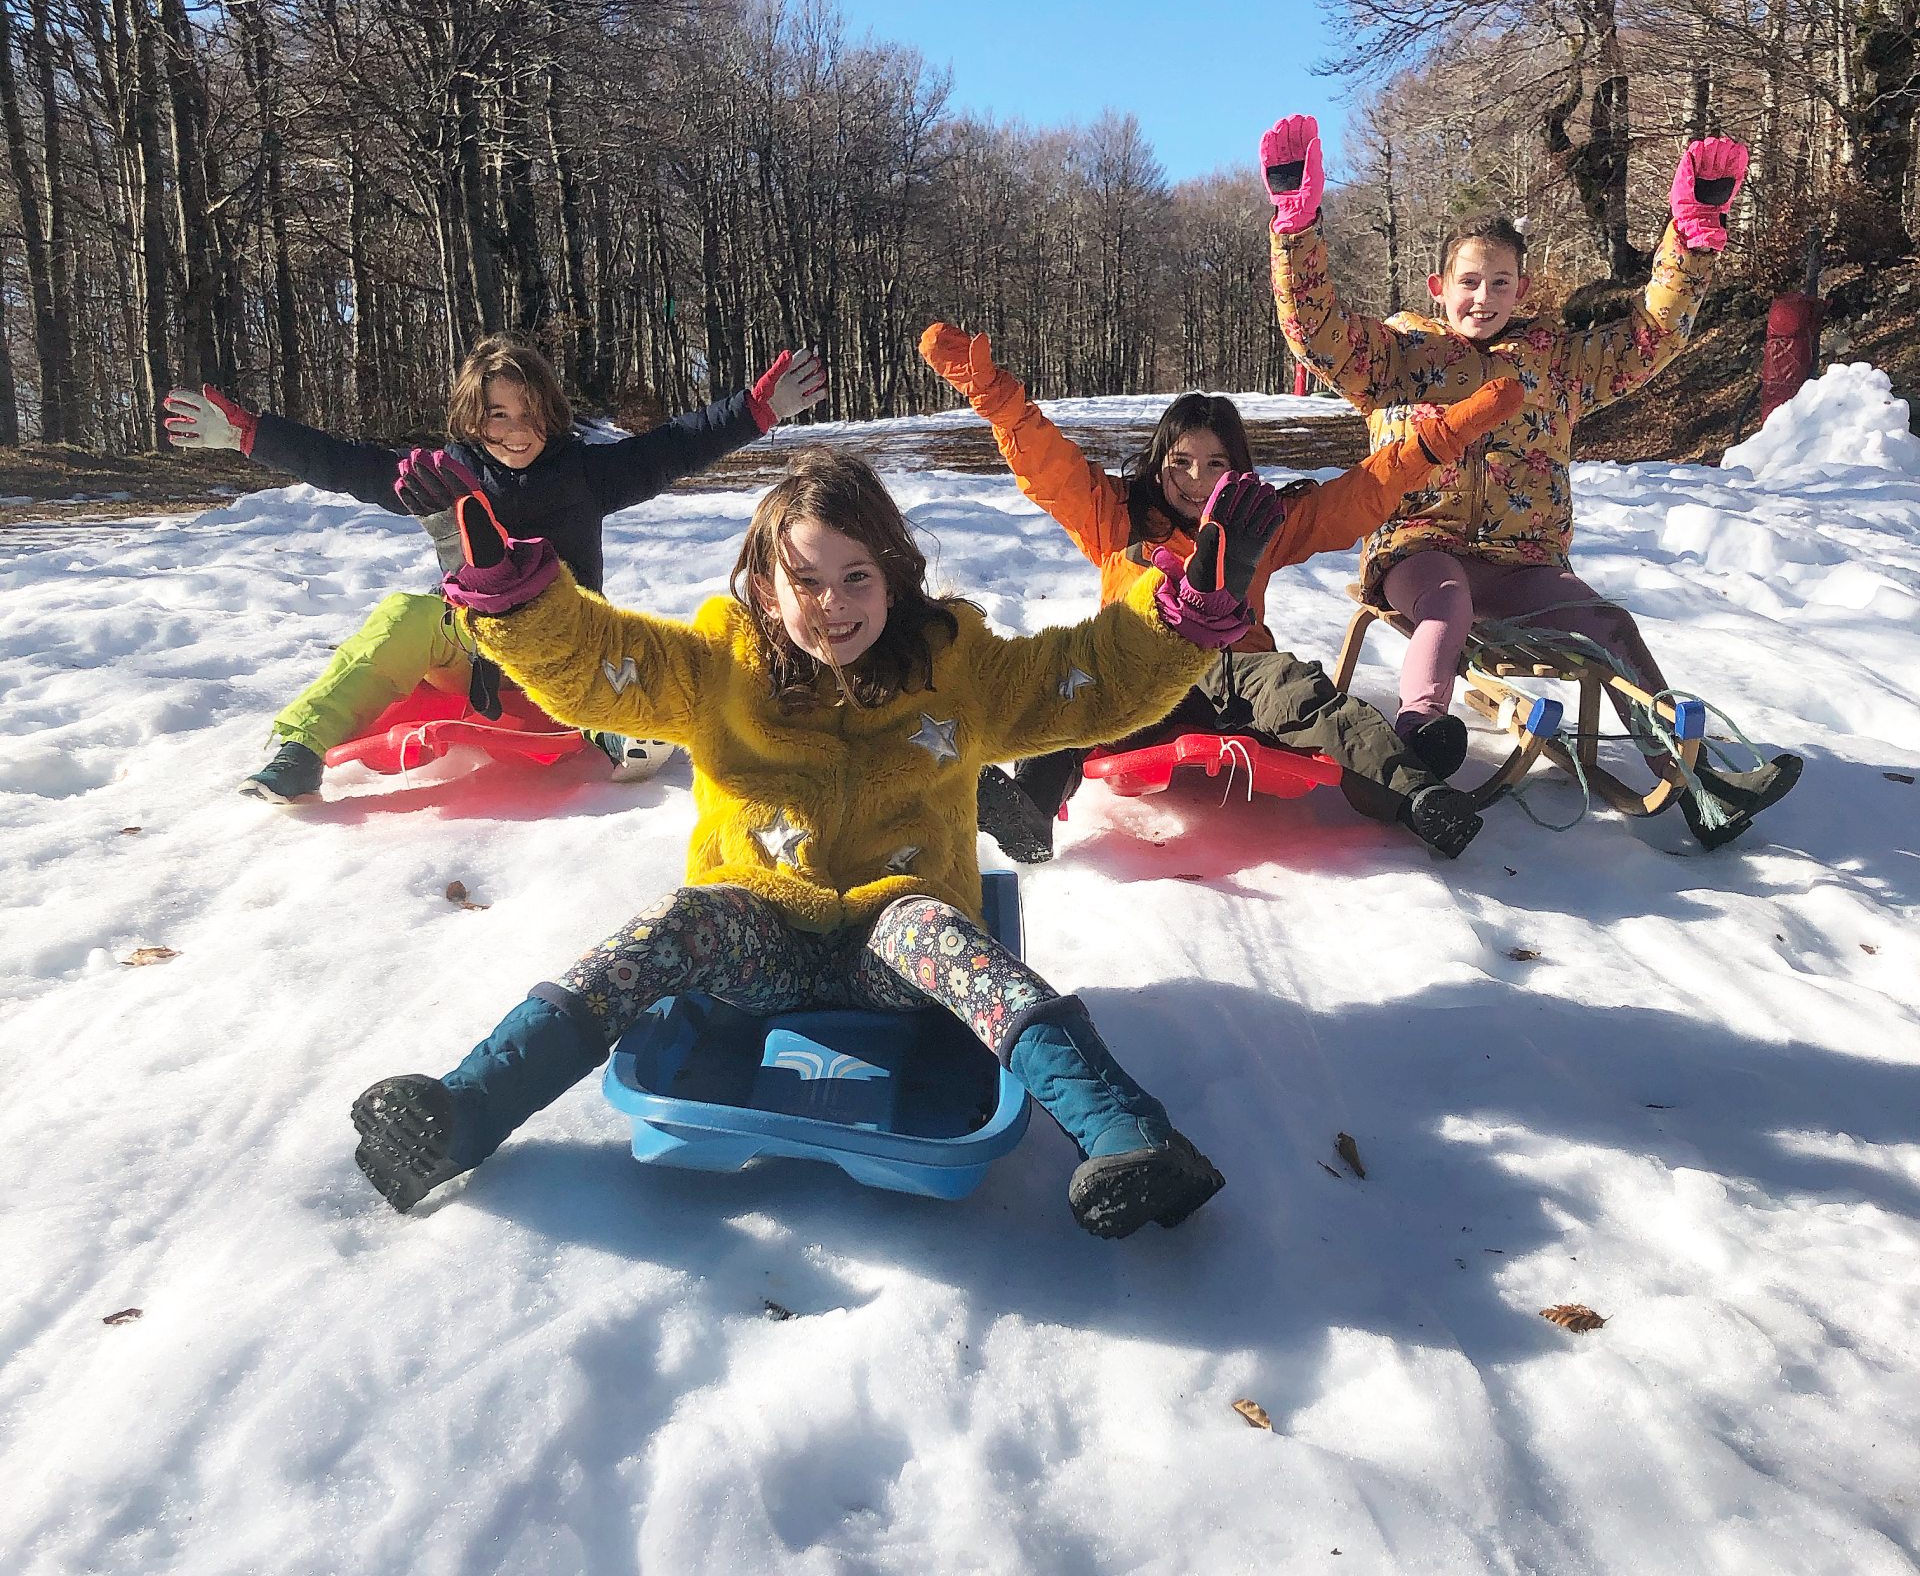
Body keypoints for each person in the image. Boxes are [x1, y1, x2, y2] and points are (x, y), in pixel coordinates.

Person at [349, 448, 1287, 1238]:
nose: (831, 605)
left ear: (893, 576)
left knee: (961, 948)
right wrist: (519, 606)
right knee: (667, 929)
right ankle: (467, 1108)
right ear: (764, 582)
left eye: (856, 579)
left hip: (896, 935)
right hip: (760, 929)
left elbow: (1085, 679)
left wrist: (1181, 620)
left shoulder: (959, 671)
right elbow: (601, 668)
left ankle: (1129, 1135)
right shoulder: (716, 666)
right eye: (804, 580)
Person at [1263, 112, 1801, 848]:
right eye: (1469, 282)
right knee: (1447, 597)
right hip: (1421, 552)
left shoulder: (1556, 363)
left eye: (1501, 283)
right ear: (1439, 285)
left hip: (1525, 564)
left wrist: (1692, 236)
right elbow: (1313, 327)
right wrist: (1297, 226)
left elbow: (1652, 334)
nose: (1483, 297)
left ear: (1522, 290)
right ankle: (1424, 728)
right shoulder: (1397, 357)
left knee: (1609, 625)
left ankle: (1693, 777)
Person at [919, 326, 1525, 861]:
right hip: (1136, 670)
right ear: (1158, 464)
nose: (1196, 480)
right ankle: (1032, 804)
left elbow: (1359, 495)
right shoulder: (1116, 517)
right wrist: (998, 399)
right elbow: (1048, 466)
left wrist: (1439, 440)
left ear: (1238, 469)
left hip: (1240, 665)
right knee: (1071, 692)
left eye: (1215, 464)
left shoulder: (1260, 521)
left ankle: (1416, 796)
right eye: (1181, 462)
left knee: (1305, 695)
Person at [164, 335, 826, 801]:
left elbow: (675, 444)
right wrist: (253, 434)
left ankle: (621, 735)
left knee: (606, 635)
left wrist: (757, 409)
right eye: (498, 415)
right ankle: (301, 750)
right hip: (473, 646)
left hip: (565, 648)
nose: (516, 431)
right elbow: (347, 464)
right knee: (402, 614)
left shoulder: (587, 472)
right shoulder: (442, 476)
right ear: (472, 418)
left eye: (530, 414)